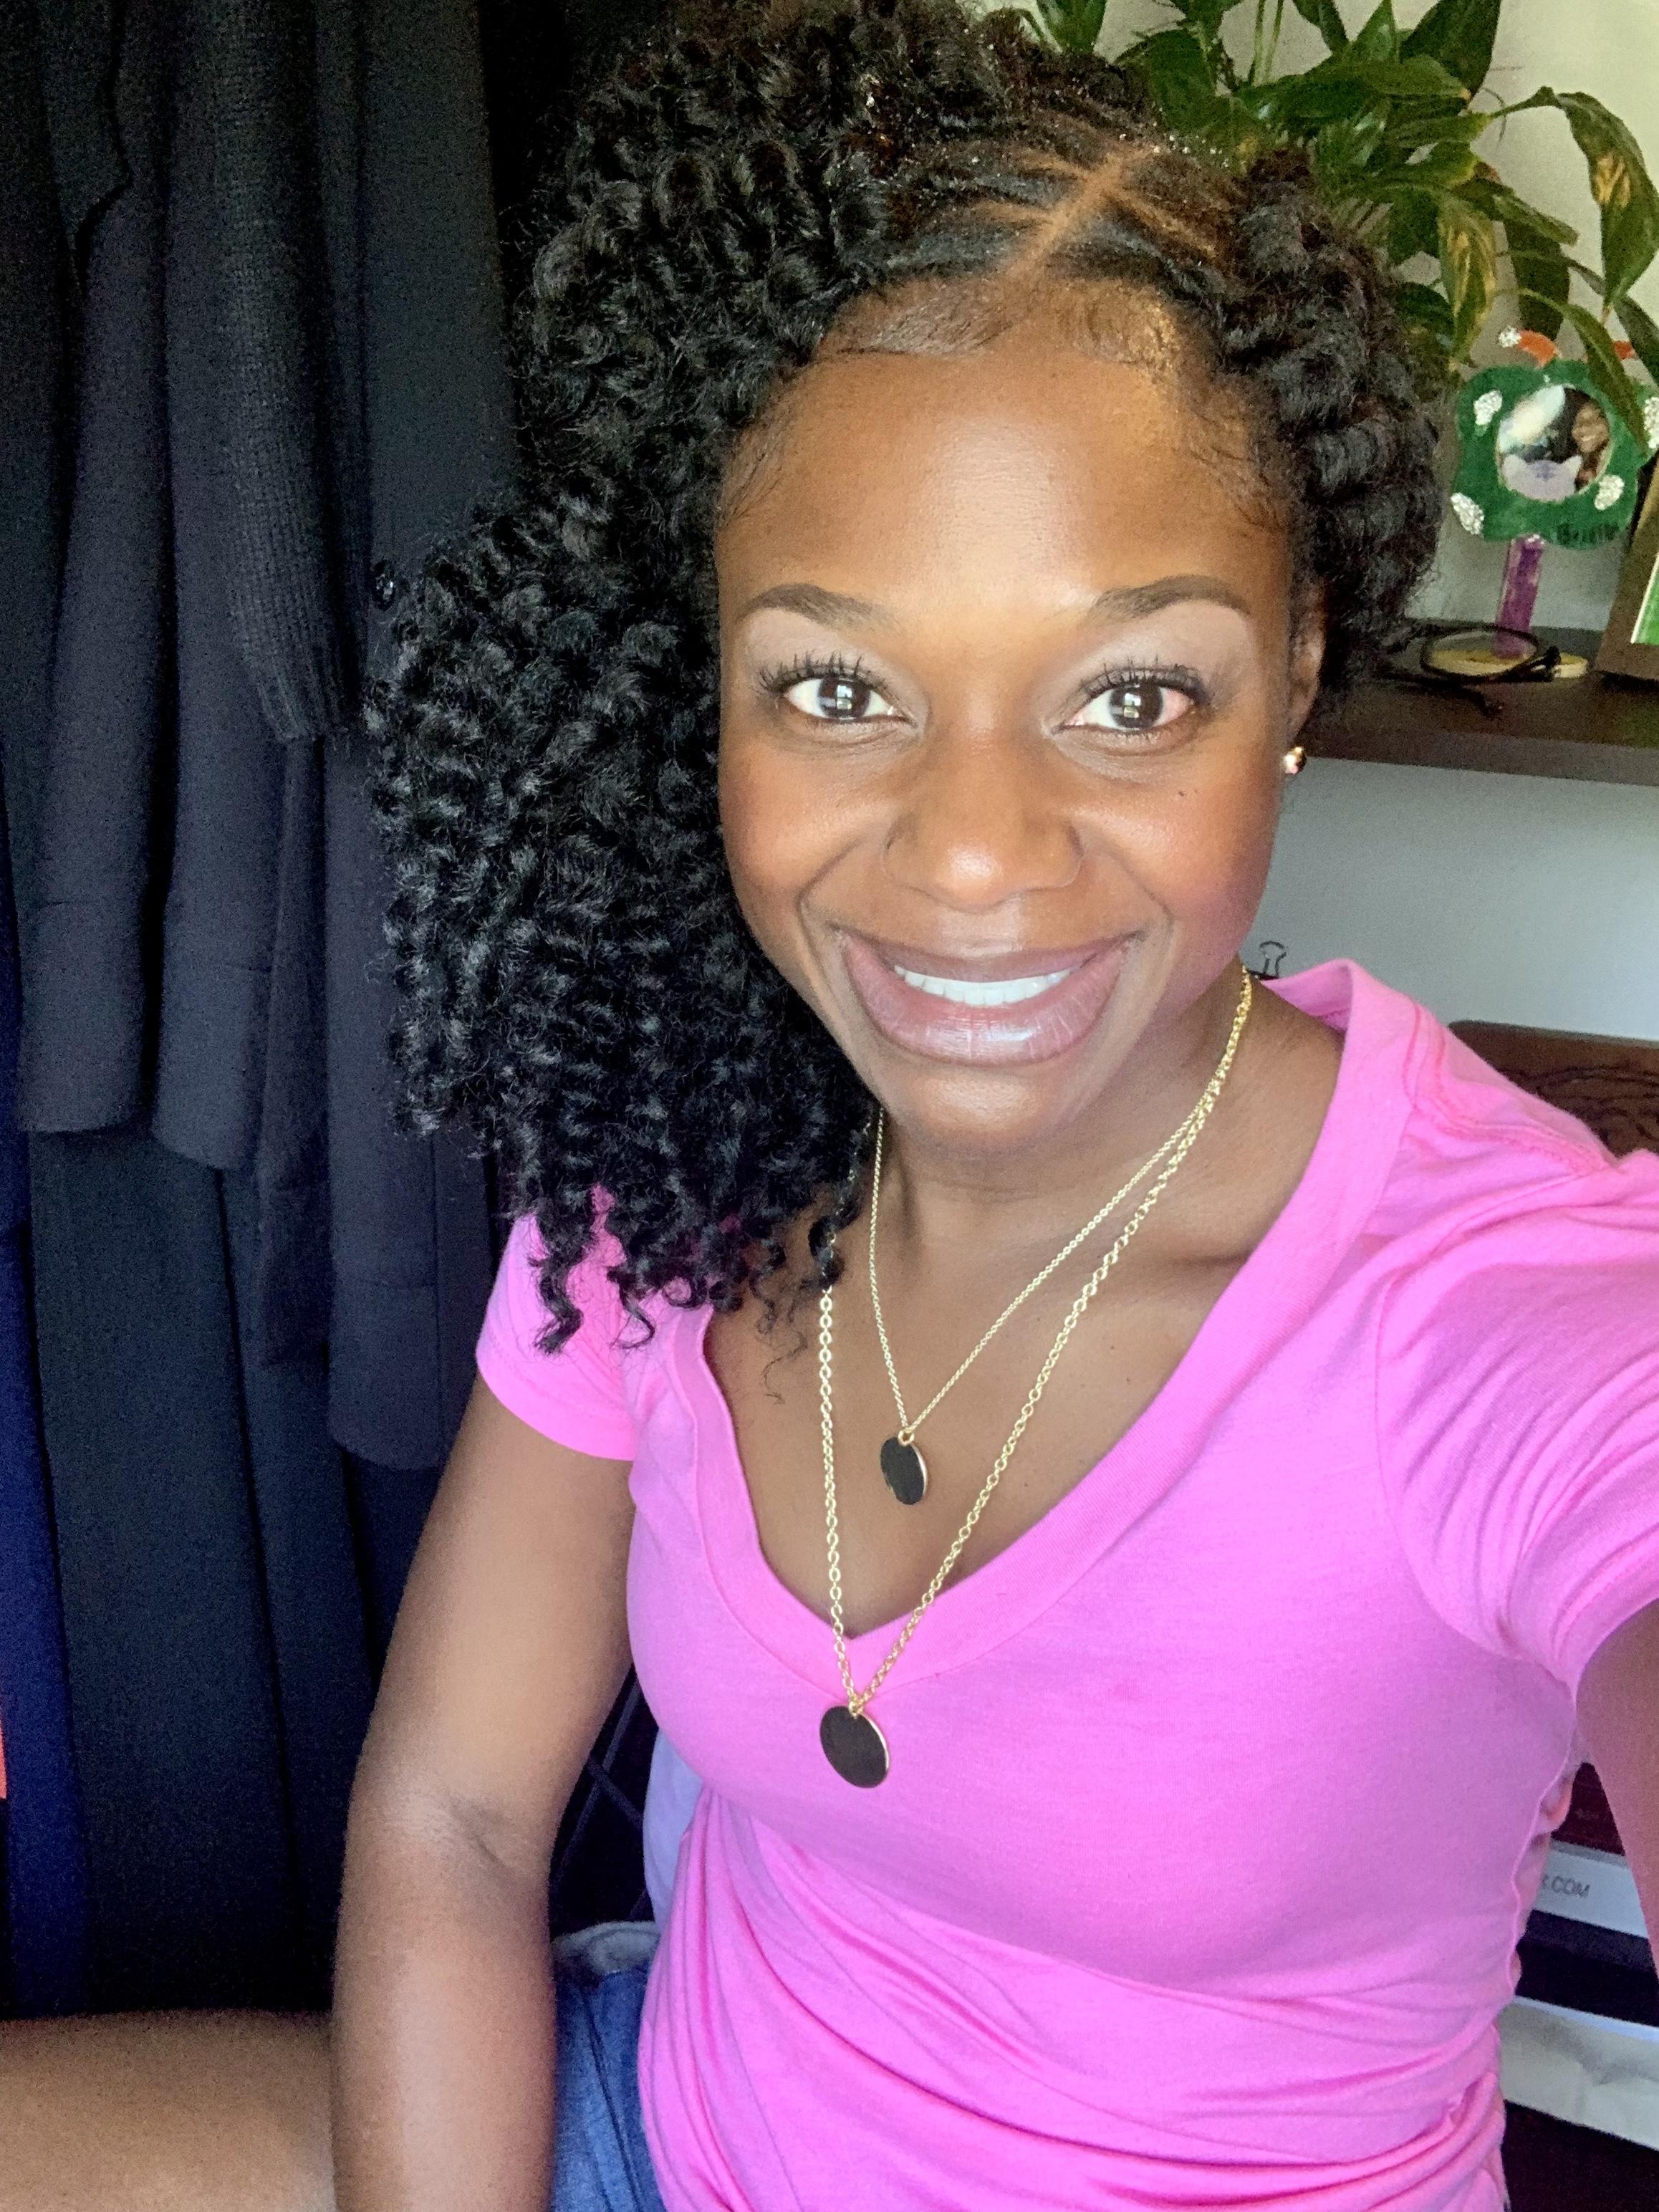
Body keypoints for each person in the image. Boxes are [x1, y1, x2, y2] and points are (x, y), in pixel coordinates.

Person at [9, 4, 1658, 2209]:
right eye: (834, 683)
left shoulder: (1511, 1321)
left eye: (1130, 694)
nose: (969, 857)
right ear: (705, 689)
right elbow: (460, 1816)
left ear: (1289, 679)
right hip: (642, 2124)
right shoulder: (676, 1157)